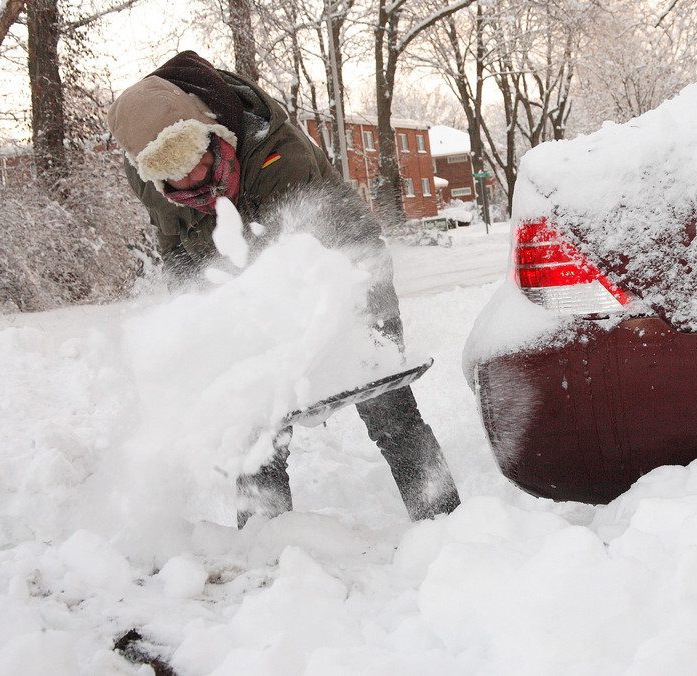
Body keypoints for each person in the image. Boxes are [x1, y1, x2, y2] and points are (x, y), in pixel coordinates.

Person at [106, 51, 460, 526]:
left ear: (212, 132)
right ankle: (264, 537)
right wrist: (200, 321)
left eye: (194, 159)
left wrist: (279, 332)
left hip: (345, 268)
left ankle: (443, 519)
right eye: (173, 174)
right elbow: (174, 248)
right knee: (253, 418)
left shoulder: (275, 151)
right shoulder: (149, 181)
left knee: (385, 401)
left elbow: (297, 258)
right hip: (246, 295)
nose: (192, 180)